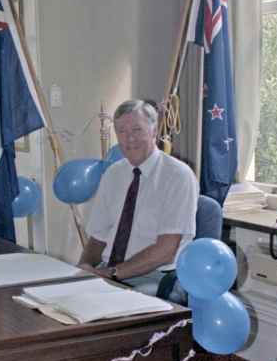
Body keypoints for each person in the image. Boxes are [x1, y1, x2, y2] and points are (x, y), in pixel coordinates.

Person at [79, 99, 199, 299]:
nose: (129, 139)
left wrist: (113, 273)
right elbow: (98, 237)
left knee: (108, 309)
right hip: (109, 271)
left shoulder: (178, 176)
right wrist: (83, 268)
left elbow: (166, 251)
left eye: (137, 129)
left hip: (153, 276)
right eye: (122, 132)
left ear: (154, 132)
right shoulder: (113, 173)